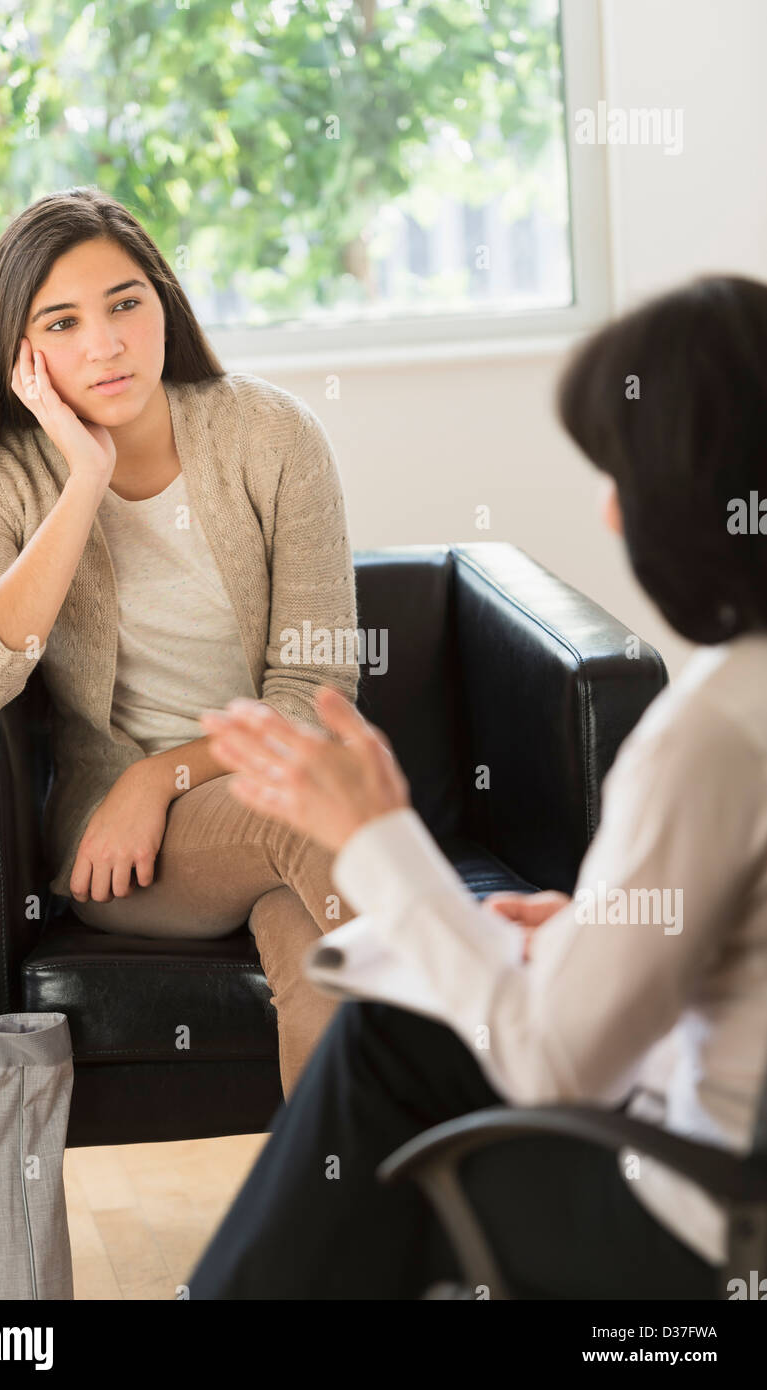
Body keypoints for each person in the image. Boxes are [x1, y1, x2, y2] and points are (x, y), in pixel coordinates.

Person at [181, 274, 767, 1300]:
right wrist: (598, 926)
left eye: (617, 470)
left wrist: (381, 837)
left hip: (699, 1218)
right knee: (404, 1031)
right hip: (718, 1134)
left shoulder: (714, 731)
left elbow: (550, 1063)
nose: (607, 504)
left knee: (383, 1074)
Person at [0, 185, 361, 1099]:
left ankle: (337, 1225)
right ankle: (511, 1064)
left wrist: (156, 778)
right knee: (312, 817)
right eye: (63, 322)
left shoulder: (271, 434)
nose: (107, 343)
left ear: (163, 301)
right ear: (22, 354)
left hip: (254, 802)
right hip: (132, 858)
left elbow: (316, 693)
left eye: (125, 303)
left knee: (320, 952)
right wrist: (83, 479)